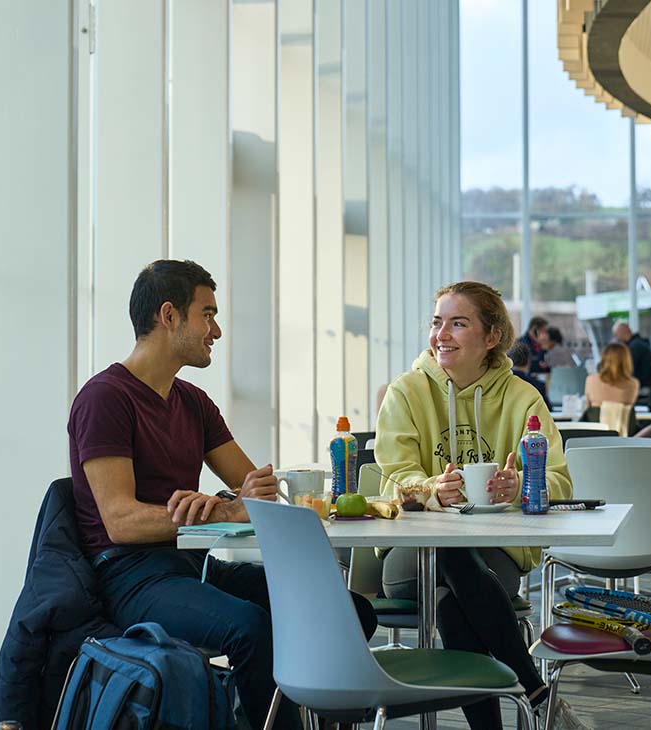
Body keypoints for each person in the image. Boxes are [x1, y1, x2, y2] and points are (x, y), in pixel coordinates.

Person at [69, 260, 377, 730]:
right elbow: (121, 522)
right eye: (207, 314)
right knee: (251, 628)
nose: (216, 330)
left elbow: (252, 488)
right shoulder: (105, 399)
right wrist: (217, 511)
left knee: (348, 611)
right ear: (169, 316)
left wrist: (250, 494)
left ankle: (319, 718)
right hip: (130, 576)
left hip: (192, 564)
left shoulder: (192, 401)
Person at [374, 281, 591, 730]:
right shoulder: (406, 392)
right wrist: (434, 490)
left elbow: (560, 482)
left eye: (458, 323)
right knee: (450, 546)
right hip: (411, 561)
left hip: (496, 557)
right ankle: (536, 691)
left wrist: (521, 486)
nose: (441, 335)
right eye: (437, 323)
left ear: (491, 337)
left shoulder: (522, 397)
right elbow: (394, 475)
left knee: (455, 606)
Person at [611, 321, 651, 405]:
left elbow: (629, 371)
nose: (616, 338)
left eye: (616, 335)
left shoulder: (634, 347)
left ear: (622, 332)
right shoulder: (639, 344)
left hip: (648, 389)